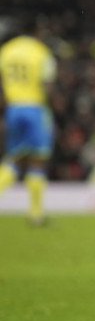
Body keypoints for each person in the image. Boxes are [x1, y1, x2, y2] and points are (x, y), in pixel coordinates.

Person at [0, 20, 57, 224]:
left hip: (13, 108)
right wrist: (52, 108)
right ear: (36, 31)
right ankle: (35, 212)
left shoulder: (6, 51)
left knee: (14, 158)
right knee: (37, 159)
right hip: (34, 108)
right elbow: (47, 84)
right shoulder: (41, 51)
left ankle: (35, 212)